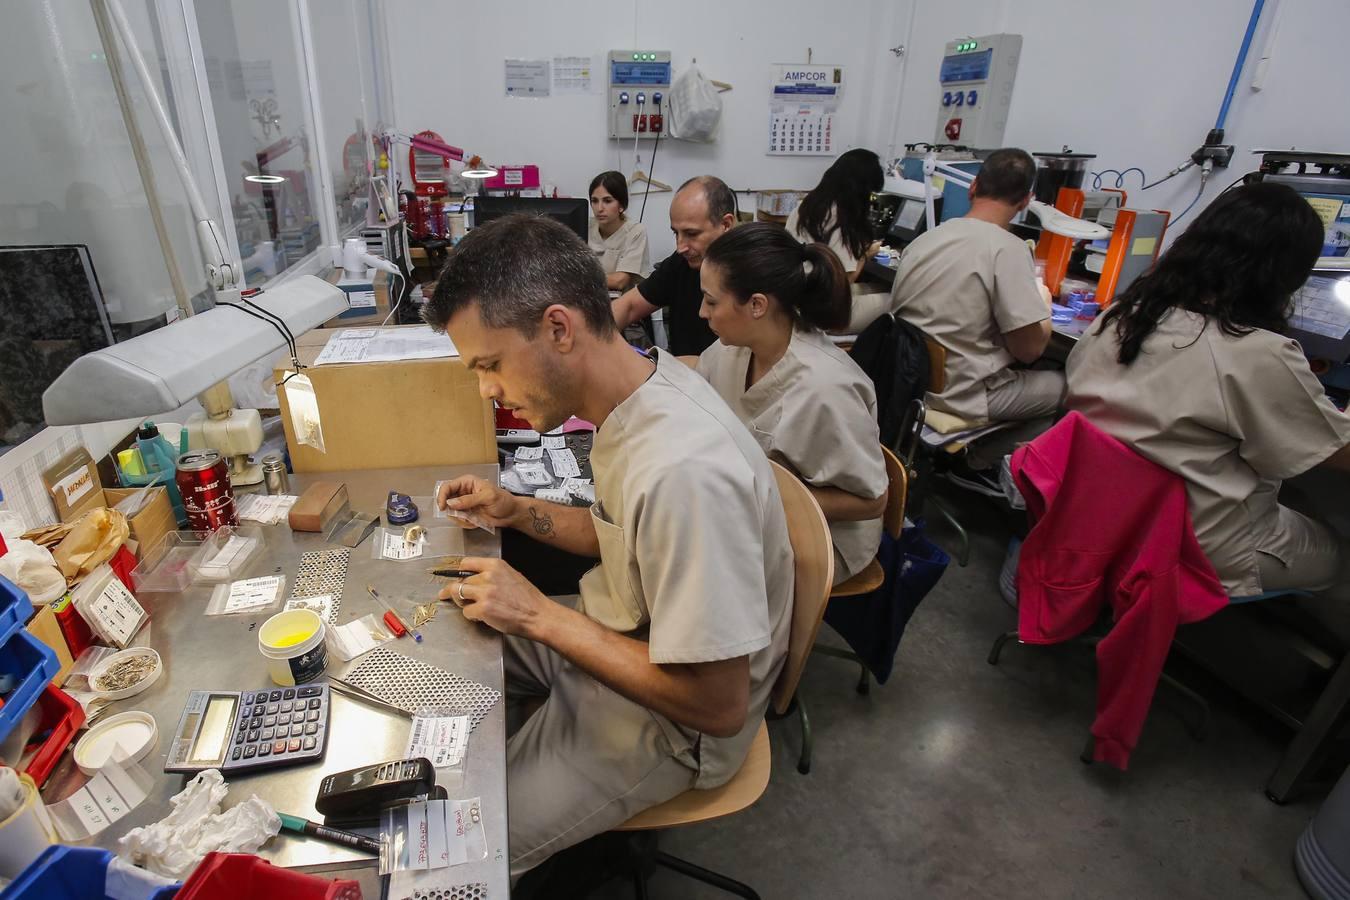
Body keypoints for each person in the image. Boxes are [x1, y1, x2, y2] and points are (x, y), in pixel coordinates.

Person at [423, 214, 794, 880]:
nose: (485, 388)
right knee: (443, 635)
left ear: (559, 329)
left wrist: (539, 616)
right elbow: (622, 535)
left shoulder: (685, 470)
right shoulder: (641, 393)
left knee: (452, 851)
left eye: (490, 365)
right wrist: (516, 510)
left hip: (675, 720)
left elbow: (717, 705)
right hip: (616, 630)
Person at [1066, 182, 1350, 598]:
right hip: (1192, 546)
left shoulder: (1123, 315)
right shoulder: (1259, 354)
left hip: (1099, 518)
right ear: (1286, 275)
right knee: (1339, 551)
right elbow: (1336, 452)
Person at [695, 222, 888, 584]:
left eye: (711, 301)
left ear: (756, 305)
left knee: (695, 565)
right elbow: (699, 379)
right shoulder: (735, 348)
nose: (702, 312)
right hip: (752, 503)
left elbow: (872, 501)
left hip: (823, 535)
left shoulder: (827, 388)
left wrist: (761, 500)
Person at [890, 146, 1062, 485]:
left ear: (973, 187)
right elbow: (1029, 350)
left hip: (909, 380)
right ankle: (977, 464)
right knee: (1069, 388)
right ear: (1026, 200)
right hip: (961, 394)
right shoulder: (1008, 250)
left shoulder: (929, 237)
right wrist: (1041, 306)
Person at [611, 175, 735, 355]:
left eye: (691, 233)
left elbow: (728, 365)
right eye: (676, 233)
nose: (680, 247)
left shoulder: (750, 274)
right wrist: (587, 334)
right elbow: (629, 306)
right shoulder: (681, 263)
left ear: (726, 224)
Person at [786, 148, 888, 332]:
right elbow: (844, 280)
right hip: (823, 313)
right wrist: (866, 255)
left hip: (795, 301)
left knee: (877, 287)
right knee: (898, 299)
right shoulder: (841, 217)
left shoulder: (805, 206)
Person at [587, 170, 650, 292]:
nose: (599, 208)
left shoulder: (635, 231)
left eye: (607, 201)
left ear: (621, 205)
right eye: (594, 201)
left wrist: (581, 279)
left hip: (621, 303)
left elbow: (620, 281)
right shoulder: (584, 226)